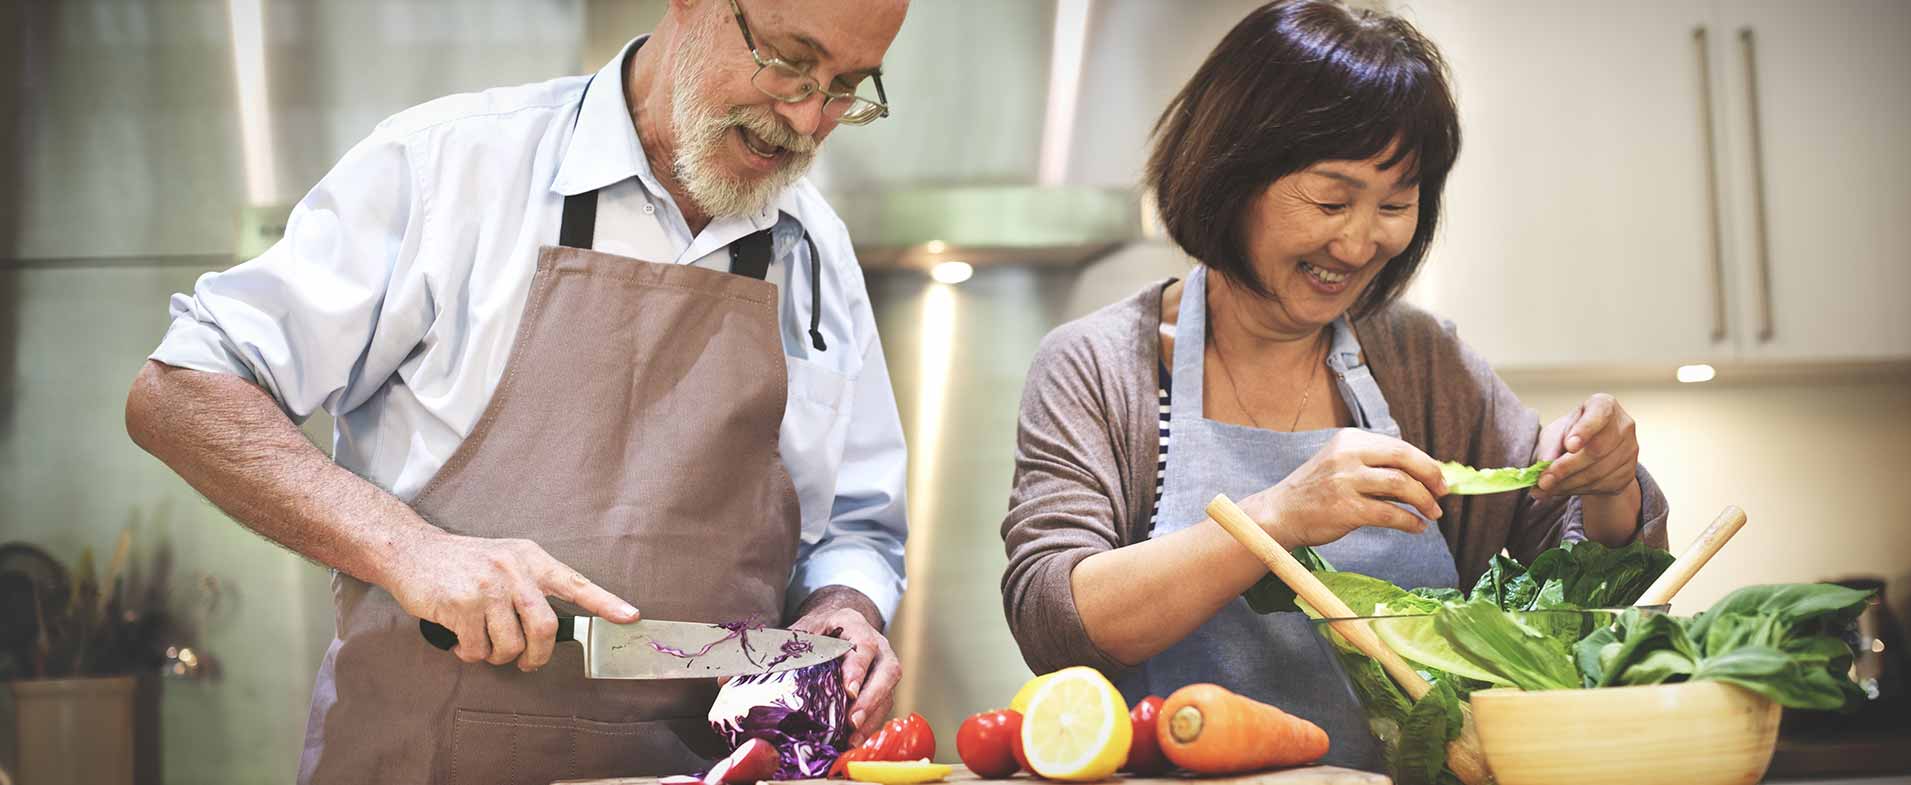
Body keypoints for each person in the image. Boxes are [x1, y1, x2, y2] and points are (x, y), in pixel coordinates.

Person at [125, 1, 911, 782]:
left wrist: (844, 606)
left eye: (847, 86)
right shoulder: (447, 170)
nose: (809, 119)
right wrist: (409, 548)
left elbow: (856, 523)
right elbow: (181, 389)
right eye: (789, 62)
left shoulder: (817, 251)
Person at [999, 0, 1669, 771]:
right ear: (1232, 176)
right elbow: (1054, 616)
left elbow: (1582, 592)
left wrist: (1608, 485)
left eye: (1394, 204)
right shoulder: (1100, 366)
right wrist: (1277, 516)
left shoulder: (1418, 359)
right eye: (1329, 200)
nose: (1358, 242)